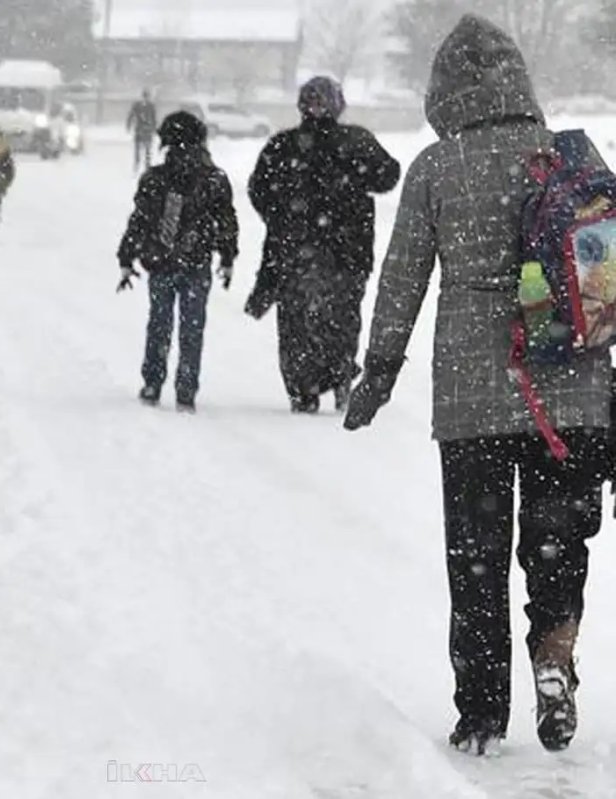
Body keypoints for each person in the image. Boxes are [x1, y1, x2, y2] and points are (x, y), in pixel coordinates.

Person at [344, 15, 611, 756]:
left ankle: (482, 713)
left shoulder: (437, 167)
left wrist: (379, 371)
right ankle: (554, 656)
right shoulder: (568, 156)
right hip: (572, 388)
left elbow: (402, 279)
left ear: (443, 93)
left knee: (477, 558)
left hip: (473, 398)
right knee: (558, 543)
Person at [245, 76, 400, 414]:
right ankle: (334, 375)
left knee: (300, 323)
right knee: (336, 320)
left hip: (303, 251)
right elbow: (387, 175)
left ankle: (307, 386)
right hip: (344, 250)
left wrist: (283, 217)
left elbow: (259, 190)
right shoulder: (353, 141)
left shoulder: (285, 145)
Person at [117, 111, 239, 413]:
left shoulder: (155, 178)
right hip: (197, 262)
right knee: (192, 328)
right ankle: (186, 389)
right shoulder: (214, 179)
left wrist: (127, 256)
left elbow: (140, 220)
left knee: (159, 323)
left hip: (161, 261)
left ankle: (152, 382)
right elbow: (227, 221)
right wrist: (227, 256)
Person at [127, 90, 158, 172]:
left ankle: (146, 164)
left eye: (147, 97)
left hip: (146, 130)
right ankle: (137, 164)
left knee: (147, 149)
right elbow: (131, 115)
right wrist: (129, 124)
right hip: (140, 129)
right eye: (145, 96)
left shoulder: (150, 106)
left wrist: (154, 128)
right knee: (138, 148)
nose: (145, 98)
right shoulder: (137, 105)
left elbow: (154, 118)